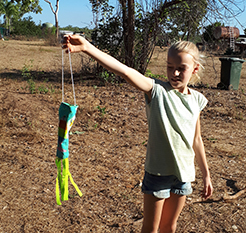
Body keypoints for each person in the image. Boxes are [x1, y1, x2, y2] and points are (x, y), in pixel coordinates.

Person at [62, 35, 213, 233]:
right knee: (150, 229)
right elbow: (125, 71)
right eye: (169, 66)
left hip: (183, 175)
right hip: (158, 173)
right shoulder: (156, 90)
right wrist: (87, 48)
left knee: (170, 226)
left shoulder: (197, 100)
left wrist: (206, 175)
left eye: (181, 68)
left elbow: (197, 139)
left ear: (195, 69)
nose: (174, 73)